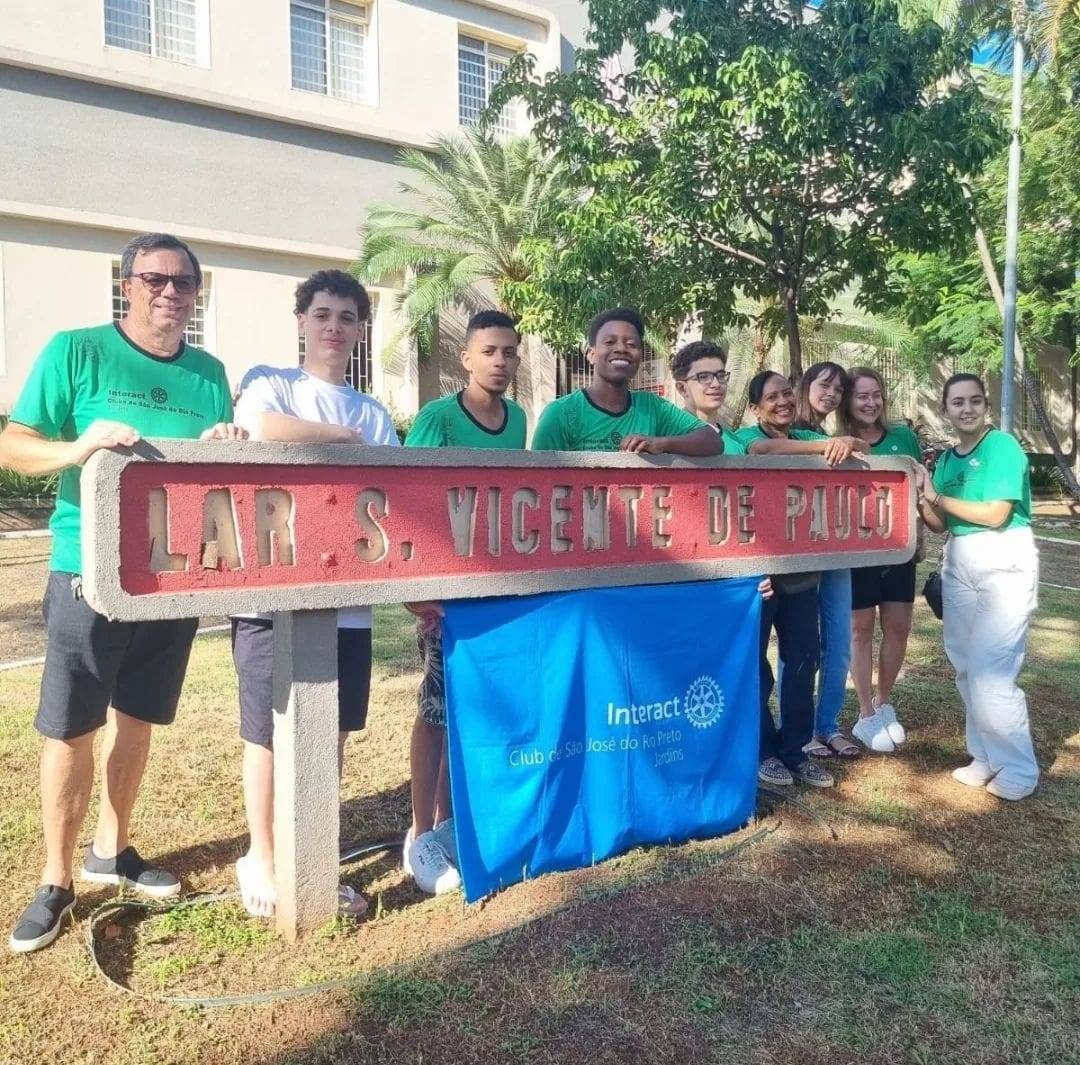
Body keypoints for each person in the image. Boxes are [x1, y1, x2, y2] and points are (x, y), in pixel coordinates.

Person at [0, 233, 243, 954]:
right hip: (88, 573)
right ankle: (56, 878)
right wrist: (76, 448)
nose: (170, 293)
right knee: (73, 727)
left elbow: (213, 477)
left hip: (171, 575)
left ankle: (115, 846)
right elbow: (14, 443)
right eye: (155, 279)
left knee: (137, 718)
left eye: (185, 283)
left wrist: (226, 438)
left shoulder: (209, 372)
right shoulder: (75, 350)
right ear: (127, 285)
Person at [229, 269, 399, 919]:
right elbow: (261, 427)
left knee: (331, 736)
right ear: (301, 320)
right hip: (269, 597)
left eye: (347, 317)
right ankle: (262, 858)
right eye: (322, 313)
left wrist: (357, 439)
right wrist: (342, 441)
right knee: (265, 733)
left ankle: (315, 860)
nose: (334, 326)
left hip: (347, 603)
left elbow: (390, 496)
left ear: (360, 330)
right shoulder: (272, 383)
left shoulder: (376, 413)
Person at [401, 309, 528, 894]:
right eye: (490, 352)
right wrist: (417, 593)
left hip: (494, 591)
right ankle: (417, 834)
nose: (501, 362)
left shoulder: (517, 418)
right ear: (466, 358)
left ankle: (450, 822)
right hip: (442, 598)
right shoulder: (437, 418)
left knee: (466, 708)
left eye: (510, 351)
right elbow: (411, 504)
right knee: (433, 711)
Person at [735, 371, 868, 790]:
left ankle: (796, 750)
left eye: (787, 393)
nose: (783, 401)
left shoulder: (810, 433)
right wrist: (827, 445)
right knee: (756, 668)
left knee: (802, 663)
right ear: (756, 407)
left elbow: (860, 449)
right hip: (758, 578)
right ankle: (763, 750)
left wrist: (846, 442)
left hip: (802, 577)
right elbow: (765, 449)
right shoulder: (743, 436)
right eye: (771, 397)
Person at [914, 373, 1039, 801]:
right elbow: (940, 523)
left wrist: (936, 497)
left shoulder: (1002, 446)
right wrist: (920, 499)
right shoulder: (947, 460)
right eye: (957, 402)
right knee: (966, 665)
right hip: (960, 559)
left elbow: (995, 514)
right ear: (946, 408)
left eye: (974, 401)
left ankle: (1019, 767)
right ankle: (984, 756)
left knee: (992, 668)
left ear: (985, 404)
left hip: (1003, 558)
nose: (966, 409)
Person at [839, 367, 923, 754]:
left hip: (897, 550)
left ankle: (885, 702)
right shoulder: (836, 442)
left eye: (876, 395)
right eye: (861, 396)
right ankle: (865, 712)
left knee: (897, 626)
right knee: (859, 628)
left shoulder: (904, 437)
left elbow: (917, 489)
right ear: (848, 402)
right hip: (856, 551)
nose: (870, 403)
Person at [531, 308, 722, 456]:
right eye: (610, 342)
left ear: (640, 355)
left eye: (631, 344)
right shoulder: (560, 413)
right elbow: (539, 479)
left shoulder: (652, 407)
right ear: (591, 354)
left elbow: (712, 441)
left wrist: (660, 444)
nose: (621, 349)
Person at [789, 362, 860, 759]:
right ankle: (798, 732)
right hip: (794, 553)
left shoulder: (835, 437)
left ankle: (827, 724)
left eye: (839, 389)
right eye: (825, 384)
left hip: (835, 546)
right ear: (805, 385)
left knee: (839, 641)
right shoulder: (788, 427)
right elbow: (758, 448)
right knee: (800, 646)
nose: (831, 393)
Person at [670, 339, 747, 455]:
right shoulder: (668, 437)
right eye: (704, 377)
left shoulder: (737, 444)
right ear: (682, 388)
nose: (716, 384)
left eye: (721, 376)